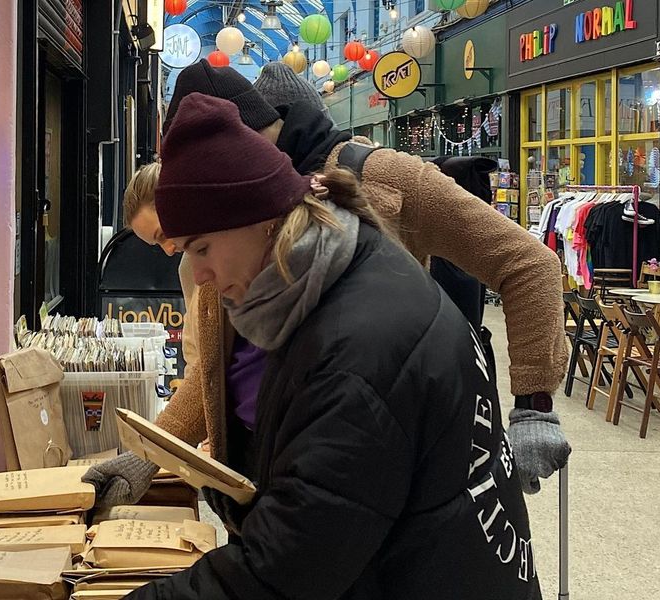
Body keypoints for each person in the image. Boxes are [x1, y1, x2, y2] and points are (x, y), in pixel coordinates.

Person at [116, 93, 540, 599]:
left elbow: (283, 571)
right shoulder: (343, 267)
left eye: (201, 248)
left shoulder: (354, 354)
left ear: (262, 219)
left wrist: (536, 405)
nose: (199, 275)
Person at [109, 60, 569, 494]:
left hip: (392, 472)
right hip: (275, 486)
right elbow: (216, 370)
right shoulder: (225, 230)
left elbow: (527, 263)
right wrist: (148, 455)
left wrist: (534, 406)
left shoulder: (384, 178)